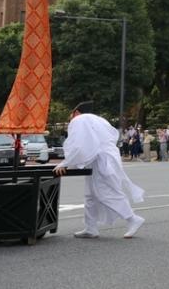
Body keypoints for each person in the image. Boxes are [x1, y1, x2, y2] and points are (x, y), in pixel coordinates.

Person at [53, 101, 145, 239]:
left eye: (70, 115)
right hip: (103, 158)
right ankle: (91, 227)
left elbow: (79, 145)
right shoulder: (98, 119)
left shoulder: (79, 120)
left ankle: (132, 218)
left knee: (106, 192)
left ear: (76, 112)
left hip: (101, 160)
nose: (70, 119)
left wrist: (65, 163)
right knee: (91, 194)